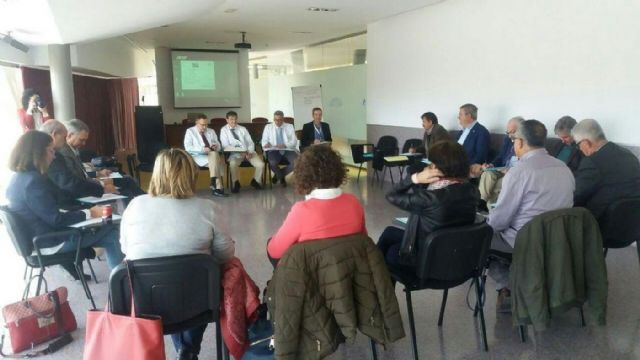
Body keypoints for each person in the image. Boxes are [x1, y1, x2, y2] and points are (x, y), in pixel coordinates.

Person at [120, 148, 235, 360]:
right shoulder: (208, 208)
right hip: (199, 303)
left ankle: (185, 350)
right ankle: (188, 349)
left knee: (172, 285)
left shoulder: (135, 206)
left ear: (156, 174)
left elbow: (126, 250)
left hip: (144, 303)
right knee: (200, 280)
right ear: (192, 174)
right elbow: (226, 254)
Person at [486, 120, 574, 313]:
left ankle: (507, 287)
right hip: (558, 240)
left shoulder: (519, 172)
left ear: (520, 142)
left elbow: (499, 221)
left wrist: (486, 222)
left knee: (482, 238)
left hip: (525, 240)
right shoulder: (564, 168)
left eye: (513, 139)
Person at [6, 131, 124, 270]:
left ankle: (120, 282)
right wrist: (90, 213)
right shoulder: (33, 182)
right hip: (49, 242)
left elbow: (48, 212)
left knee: (108, 227)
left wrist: (86, 212)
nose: (54, 155)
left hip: (39, 238)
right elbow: (56, 219)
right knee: (112, 230)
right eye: (51, 151)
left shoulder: (18, 178)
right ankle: (122, 284)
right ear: (38, 153)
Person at [377, 141, 479, 272]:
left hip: (428, 262)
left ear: (438, 167)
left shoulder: (432, 198)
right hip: (454, 257)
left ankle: (378, 284)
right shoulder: (472, 191)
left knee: (392, 252)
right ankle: (372, 275)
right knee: (389, 232)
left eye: (432, 163)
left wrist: (416, 178)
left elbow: (390, 195)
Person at [267, 145, 366, 263]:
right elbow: (363, 240)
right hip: (347, 269)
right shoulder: (353, 202)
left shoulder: (302, 211)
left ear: (303, 175)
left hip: (313, 275)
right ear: (338, 171)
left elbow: (275, 251)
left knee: (270, 244)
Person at [572, 119, 640, 222]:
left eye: (578, 144)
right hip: (632, 222)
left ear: (586, 143)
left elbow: (576, 196)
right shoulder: (629, 154)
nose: (579, 149)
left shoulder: (592, 162)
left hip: (600, 224)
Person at [59, 119, 145, 200]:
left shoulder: (73, 150)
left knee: (127, 184)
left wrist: (98, 174)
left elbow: (81, 173)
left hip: (89, 183)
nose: (84, 143)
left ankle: (146, 199)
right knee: (126, 187)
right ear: (69, 135)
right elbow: (75, 180)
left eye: (85, 140)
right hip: (84, 189)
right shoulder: (64, 153)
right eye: (81, 140)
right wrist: (101, 184)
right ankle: (147, 199)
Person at [40, 119, 113, 207]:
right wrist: (102, 188)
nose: (65, 141)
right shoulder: (53, 155)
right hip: (64, 203)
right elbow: (68, 182)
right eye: (64, 137)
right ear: (54, 134)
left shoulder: (50, 154)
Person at [471, 116, 524, 204]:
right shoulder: (508, 139)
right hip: (502, 167)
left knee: (497, 185)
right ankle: (480, 202)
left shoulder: (526, 143)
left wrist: (512, 171)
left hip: (514, 172)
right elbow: (500, 157)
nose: (510, 135)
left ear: (522, 130)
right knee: (487, 173)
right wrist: (491, 165)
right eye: (508, 132)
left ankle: (487, 209)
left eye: (513, 132)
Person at [219, 111, 265, 193]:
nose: (234, 121)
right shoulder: (224, 130)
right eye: (231, 119)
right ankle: (236, 183)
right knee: (233, 164)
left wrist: (250, 151)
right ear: (227, 120)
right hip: (235, 154)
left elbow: (250, 142)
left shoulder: (242, 129)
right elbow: (225, 146)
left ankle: (255, 181)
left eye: (235, 119)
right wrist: (240, 151)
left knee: (260, 164)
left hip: (248, 152)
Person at [183, 114, 227, 197]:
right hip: (197, 156)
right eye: (202, 124)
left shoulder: (211, 131)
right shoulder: (190, 131)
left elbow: (218, 144)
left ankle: (214, 183)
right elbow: (188, 147)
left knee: (214, 155)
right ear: (196, 123)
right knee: (217, 162)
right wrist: (202, 149)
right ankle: (217, 187)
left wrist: (216, 146)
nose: (204, 127)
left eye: (206, 124)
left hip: (211, 155)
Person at [261, 110, 298, 186]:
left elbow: (294, 141)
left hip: (287, 149)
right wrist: (266, 144)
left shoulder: (289, 126)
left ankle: (278, 175)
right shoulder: (268, 127)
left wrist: (285, 145)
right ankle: (281, 177)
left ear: (283, 119)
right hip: (273, 150)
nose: (277, 122)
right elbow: (264, 141)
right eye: (276, 120)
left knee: (297, 163)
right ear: (273, 119)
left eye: (280, 120)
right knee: (272, 163)